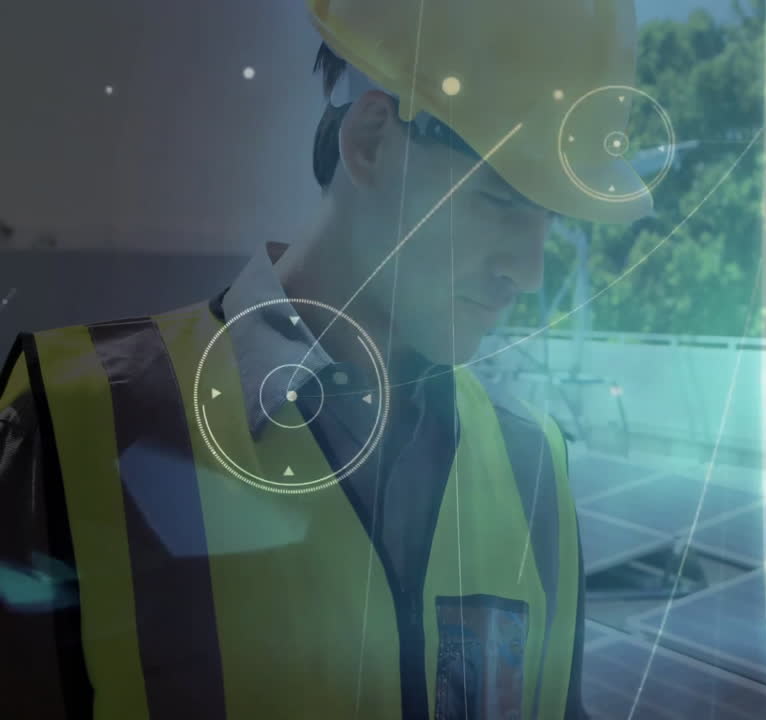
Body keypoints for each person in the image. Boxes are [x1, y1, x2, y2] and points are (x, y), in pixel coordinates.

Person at [0, 0, 652, 717]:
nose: (529, 272)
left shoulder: (537, 465)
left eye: (551, 216)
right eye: (500, 198)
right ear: (371, 139)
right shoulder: (73, 426)